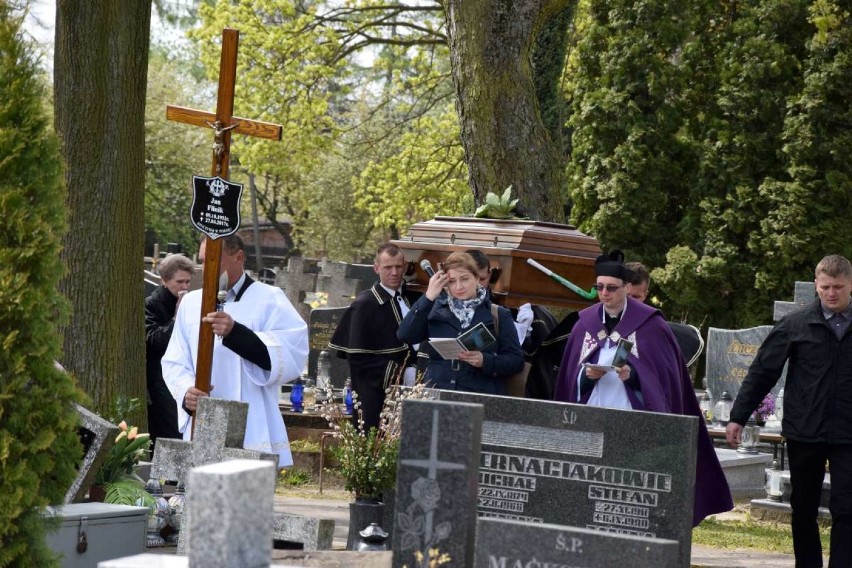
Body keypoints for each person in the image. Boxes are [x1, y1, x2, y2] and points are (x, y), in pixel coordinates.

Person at [553, 249, 732, 526]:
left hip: (634, 424)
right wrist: (586, 377)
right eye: (599, 287)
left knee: (625, 494)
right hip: (590, 420)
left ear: (627, 287)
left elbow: (664, 383)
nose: (604, 294)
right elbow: (568, 382)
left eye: (611, 288)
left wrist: (633, 376)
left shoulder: (650, 325)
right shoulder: (584, 324)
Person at [726, 255, 852, 567]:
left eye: (838, 287)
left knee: (848, 508)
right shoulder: (796, 323)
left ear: (851, 285)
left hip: (849, 432)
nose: (831, 293)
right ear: (816, 285)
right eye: (825, 287)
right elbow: (762, 371)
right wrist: (737, 417)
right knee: (804, 508)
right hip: (804, 430)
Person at [162, 235, 308, 467]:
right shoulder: (191, 302)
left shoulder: (270, 299)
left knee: (244, 499)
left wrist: (236, 334)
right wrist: (185, 391)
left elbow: (292, 355)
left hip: (251, 420)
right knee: (201, 498)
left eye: (213, 261)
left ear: (238, 257)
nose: (206, 269)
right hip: (203, 419)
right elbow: (175, 360)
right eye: (202, 261)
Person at [397, 251, 524, 394]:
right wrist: (428, 298)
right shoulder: (434, 309)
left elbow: (516, 360)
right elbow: (405, 335)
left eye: (464, 279)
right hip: (437, 396)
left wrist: (485, 361)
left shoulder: (498, 314)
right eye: (451, 281)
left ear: (477, 278)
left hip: (479, 397)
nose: (458, 287)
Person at [329, 243, 420, 431]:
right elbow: (358, 358)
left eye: (398, 266)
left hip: (413, 391)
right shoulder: (365, 304)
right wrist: (401, 374)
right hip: (375, 394)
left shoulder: (412, 298)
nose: (394, 272)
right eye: (388, 267)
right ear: (377, 268)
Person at [145, 254, 195, 446]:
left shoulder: (190, 303)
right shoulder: (152, 304)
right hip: (160, 381)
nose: (184, 287)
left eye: (188, 282)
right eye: (179, 282)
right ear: (165, 281)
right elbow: (156, 341)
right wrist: (177, 316)